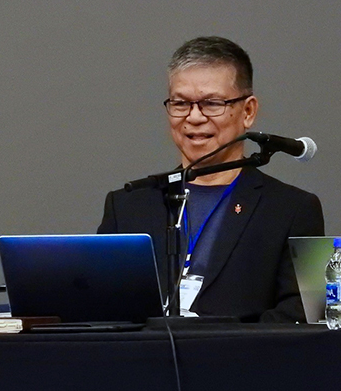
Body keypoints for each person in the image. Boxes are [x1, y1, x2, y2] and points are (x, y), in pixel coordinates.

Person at [98, 36, 324, 322]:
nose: (193, 117)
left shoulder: (296, 209)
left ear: (249, 111)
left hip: (244, 363)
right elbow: (101, 308)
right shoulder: (127, 206)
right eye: (180, 103)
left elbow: (308, 315)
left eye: (212, 103)